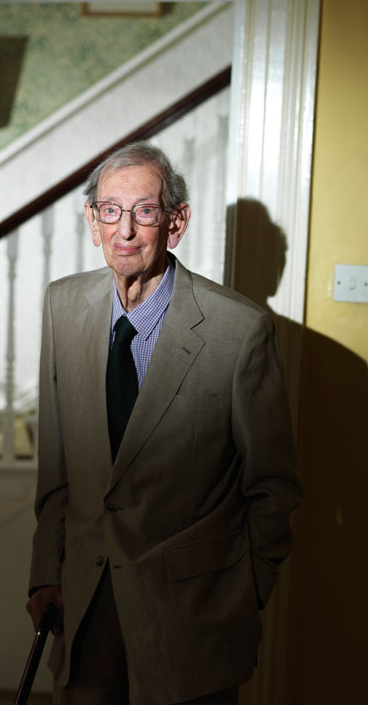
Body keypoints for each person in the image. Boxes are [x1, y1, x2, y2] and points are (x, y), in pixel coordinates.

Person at [26, 142, 302, 705]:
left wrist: (241, 592)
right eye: (110, 210)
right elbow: (56, 466)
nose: (125, 230)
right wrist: (46, 572)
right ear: (93, 221)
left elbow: (273, 487)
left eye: (144, 211)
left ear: (176, 223)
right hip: (85, 605)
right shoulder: (63, 306)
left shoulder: (240, 331)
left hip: (194, 617)